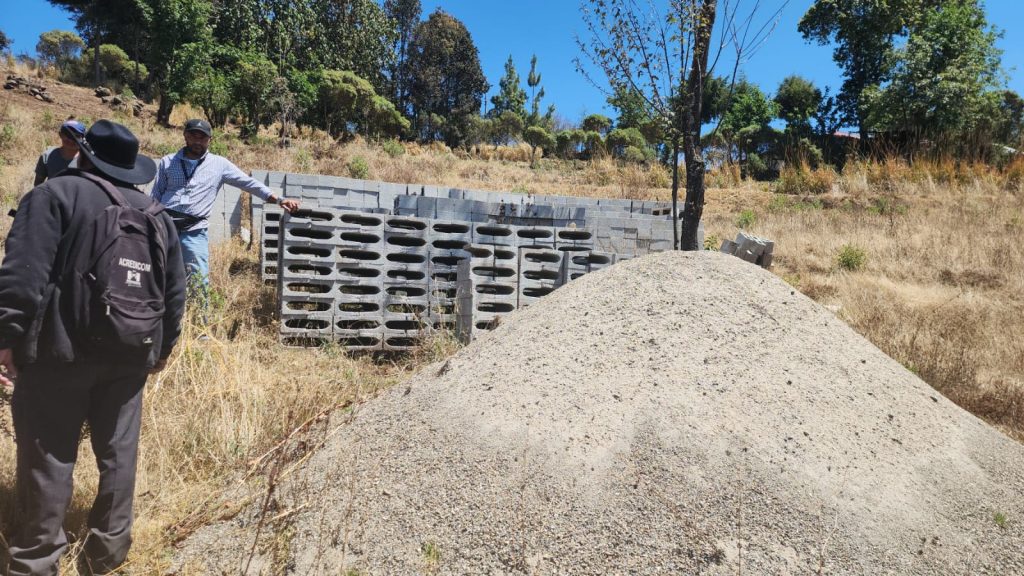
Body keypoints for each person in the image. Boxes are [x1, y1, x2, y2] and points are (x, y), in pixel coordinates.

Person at [0, 120, 187, 575]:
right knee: (119, 454)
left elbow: (23, 278)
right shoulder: (156, 213)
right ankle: (105, 555)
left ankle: (36, 561)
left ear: (82, 153)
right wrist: (160, 350)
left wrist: (7, 340)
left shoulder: (52, 196)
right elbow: (175, 292)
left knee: (50, 457)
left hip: (57, 355)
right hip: (131, 353)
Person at [151, 118, 300, 288]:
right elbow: (155, 195)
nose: (197, 141)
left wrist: (279, 200)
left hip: (194, 231)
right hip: (164, 227)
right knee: (156, 275)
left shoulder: (219, 165)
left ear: (210, 140)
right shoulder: (167, 162)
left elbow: (249, 183)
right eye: (193, 136)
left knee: (198, 280)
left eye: (203, 137)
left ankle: (199, 315)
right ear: (185, 135)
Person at [33, 118, 87, 185]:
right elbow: (38, 184)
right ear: (60, 135)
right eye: (67, 135)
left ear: (83, 139)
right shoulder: (47, 156)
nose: (70, 140)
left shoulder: (87, 161)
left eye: (76, 136)